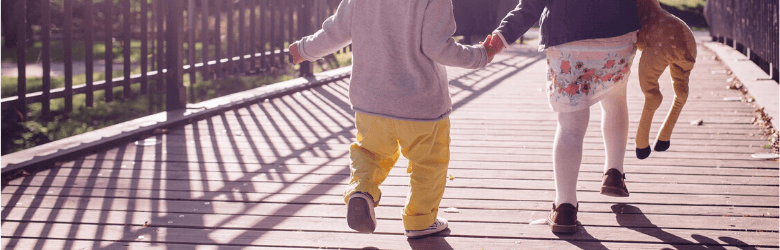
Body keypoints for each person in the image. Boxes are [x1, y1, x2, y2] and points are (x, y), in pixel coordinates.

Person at [288, 0, 500, 238]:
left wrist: (303, 50)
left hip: (371, 102)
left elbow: (336, 32)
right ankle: (420, 220)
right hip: (421, 105)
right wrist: (480, 55)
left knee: (370, 153)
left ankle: (361, 191)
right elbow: (437, 47)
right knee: (428, 163)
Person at [482, 0, 642, 233]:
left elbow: (530, 6)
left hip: (568, 39)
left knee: (571, 126)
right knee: (615, 100)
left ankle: (565, 207)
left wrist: (501, 38)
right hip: (618, 36)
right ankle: (614, 173)